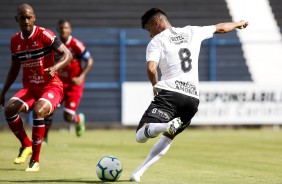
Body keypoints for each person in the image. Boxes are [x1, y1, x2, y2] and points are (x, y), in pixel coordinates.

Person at [130, 8, 248, 182]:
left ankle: (164, 125)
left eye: (149, 29)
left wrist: (155, 86)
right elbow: (221, 27)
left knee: (141, 134)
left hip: (171, 93)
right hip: (192, 99)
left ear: (157, 23)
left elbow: (151, 68)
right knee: (169, 137)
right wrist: (238, 24)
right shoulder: (192, 31)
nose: (149, 35)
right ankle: (138, 172)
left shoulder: (157, 42)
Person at [0, 3, 72, 171]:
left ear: (34, 18)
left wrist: (55, 67)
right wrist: (3, 92)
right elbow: (14, 68)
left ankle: (35, 161)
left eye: (29, 17)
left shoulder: (44, 35)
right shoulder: (15, 41)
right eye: (22, 18)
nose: (26, 21)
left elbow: (68, 54)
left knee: (38, 111)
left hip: (51, 86)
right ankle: (26, 145)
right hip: (31, 88)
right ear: (16, 19)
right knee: (9, 110)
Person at [43, 19, 94, 142]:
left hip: (73, 85)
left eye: (66, 28)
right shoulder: (54, 45)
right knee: (49, 110)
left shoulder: (76, 45)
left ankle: (78, 119)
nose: (63, 30)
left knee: (68, 117)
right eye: (61, 28)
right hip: (58, 85)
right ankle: (44, 138)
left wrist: (81, 77)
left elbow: (90, 61)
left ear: (70, 30)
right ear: (58, 30)